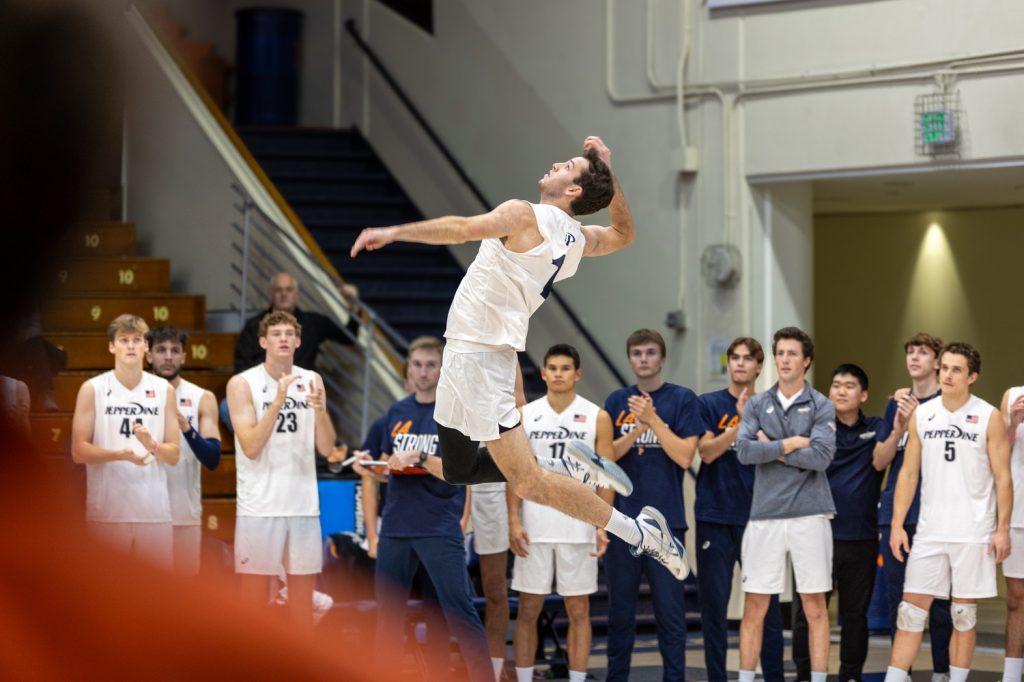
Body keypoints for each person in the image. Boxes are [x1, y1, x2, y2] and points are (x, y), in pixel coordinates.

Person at [350, 136, 688, 582]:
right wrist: (607, 167)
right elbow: (624, 233)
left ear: (574, 191)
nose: (555, 162)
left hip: (481, 358)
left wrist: (394, 233)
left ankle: (640, 532)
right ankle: (563, 464)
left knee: (528, 483)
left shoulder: (523, 215)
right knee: (457, 468)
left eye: (567, 166)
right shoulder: (576, 240)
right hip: (468, 353)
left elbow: (460, 228)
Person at [353, 336, 492, 682]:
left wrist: (419, 457)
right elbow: (385, 472)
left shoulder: (455, 414)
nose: (423, 371)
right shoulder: (395, 413)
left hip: (438, 525)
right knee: (388, 619)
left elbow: (460, 471)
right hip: (397, 527)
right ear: (408, 368)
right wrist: (369, 466)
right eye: (417, 364)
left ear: (443, 370)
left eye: (430, 365)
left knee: (458, 613)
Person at [884, 343, 1012, 682]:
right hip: (929, 532)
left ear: (973, 376)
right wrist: (897, 524)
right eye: (945, 368)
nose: (948, 374)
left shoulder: (988, 416)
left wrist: (1002, 529)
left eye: (957, 369)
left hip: (973, 533)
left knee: (963, 616)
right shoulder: (922, 415)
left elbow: (1003, 477)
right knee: (910, 614)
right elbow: (908, 474)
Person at [226, 311, 339, 627]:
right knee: (254, 604)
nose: (284, 339)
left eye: (290, 334)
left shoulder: (312, 380)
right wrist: (278, 400)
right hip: (259, 508)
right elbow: (250, 446)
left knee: (302, 605)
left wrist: (320, 412)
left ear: (299, 341)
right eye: (276, 334)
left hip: (302, 505)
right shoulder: (242, 383)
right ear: (263, 341)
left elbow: (328, 449)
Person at [736, 326, 836, 682]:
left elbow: (822, 457)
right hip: (765, 515)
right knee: (755, 606)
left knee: (815, 607)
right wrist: (791, 444)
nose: (785, 359)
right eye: (780, 353)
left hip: (811, 514)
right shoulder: (758, 403)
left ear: (806, 360)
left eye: (792, 353)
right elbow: (744, 451)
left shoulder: (822, 404)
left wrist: (772, 447)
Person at [603, 329, 704, 681]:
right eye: (636, 353)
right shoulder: (616, 401)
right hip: (622, 522)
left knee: (670, 613)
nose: (643, 359)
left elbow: (684, 456)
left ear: (661, 358)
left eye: (649, 353)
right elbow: (607, 460)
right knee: (620, 614)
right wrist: (633, 429)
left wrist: (653, 420)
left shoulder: (682, 399)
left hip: (667, 521)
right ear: (629, 359)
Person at [509, 344, 612, 682]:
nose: (557, 373)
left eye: (565, 368)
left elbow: (606, 475)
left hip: (578, 525)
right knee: (527, 610)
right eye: (552, 367)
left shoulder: (596, 415)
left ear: (577, 374)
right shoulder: (526, 415)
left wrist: (602, 523)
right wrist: (513, 519)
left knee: (579, 610)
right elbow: (515, 472)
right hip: (535, 525)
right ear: (542, 373)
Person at [695, 337, 784, 682]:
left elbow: (780, 457)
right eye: (735, 358)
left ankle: (774, 675)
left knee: (768, 609)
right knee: (714, 608)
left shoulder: (775, 406)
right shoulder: (708, 403)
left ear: (760, 366)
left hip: (760, 518)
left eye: (748, 359)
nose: (741, 364)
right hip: (714, 516)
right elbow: (706, 452)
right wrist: (738, 424)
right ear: (729, 364)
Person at [792, 364, 885, 681]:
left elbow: (887, 455)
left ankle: (851, 675)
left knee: (855, 615)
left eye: (849, 386)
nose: (841, 391)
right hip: (815, 534)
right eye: (835, 385)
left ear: (863, 395)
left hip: (860, 536)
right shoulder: (814, 428)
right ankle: (805, 673)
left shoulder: (877, 427)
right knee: (808, 612)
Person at [70, 314, 180, 568]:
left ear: (146, 347)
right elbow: (78, 451)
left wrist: (151, 444)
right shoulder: (92, 388)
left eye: (137, 340)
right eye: (123, 340)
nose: (130, 346)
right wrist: (120, 455)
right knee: (105, 598)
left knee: (157, 599)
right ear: (112, 346)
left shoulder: (164, 389)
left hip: (154, 512)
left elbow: (173, 455)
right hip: (107, 511)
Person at [874, 332, 952, 681]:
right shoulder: (896, 403)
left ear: (937, 361)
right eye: (910, 352)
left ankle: (942, 671)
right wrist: (897, 428)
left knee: (940, 603)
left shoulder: (949, 402)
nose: (914, 358)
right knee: (898, 599)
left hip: (937, 512)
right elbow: (879, 462)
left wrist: (920, 421)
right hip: (898, 513)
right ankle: (900, 671)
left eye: (923, 352)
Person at [145, 325, 221, 576]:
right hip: (141, 513)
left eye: (175, 350)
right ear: (148, 355)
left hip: (184, 512)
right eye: (161, 350)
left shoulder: (202, 397)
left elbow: (212, 458)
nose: (168, 356)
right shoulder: (131, 396)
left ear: (184, 356)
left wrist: (187, 428)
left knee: (182, 595)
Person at [233, 272, 360, 372]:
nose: (284, 294)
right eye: (278, 290)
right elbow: (242, 365)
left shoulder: (314, 323)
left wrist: (354, 307)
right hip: (264, 392)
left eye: (289, 290)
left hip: (302, 394)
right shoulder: (254, 325)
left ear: (296, 294)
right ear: (271, 294)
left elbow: (349, 337)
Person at [1001, 382, 1024, 682]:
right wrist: (1012, 424)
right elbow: (998, 455)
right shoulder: (1014, 395)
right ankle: (1010, 674)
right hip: (1019, 513)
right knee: (1017, 597)